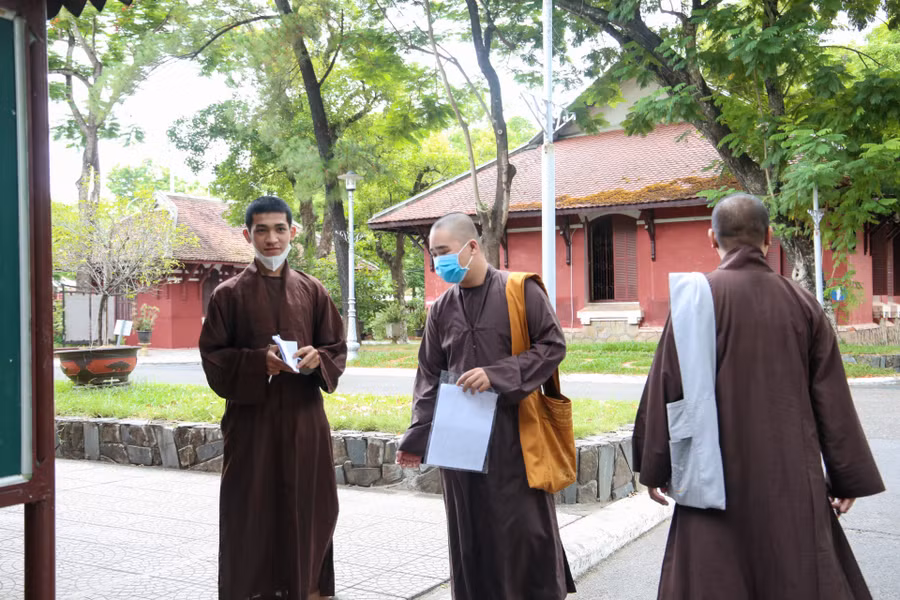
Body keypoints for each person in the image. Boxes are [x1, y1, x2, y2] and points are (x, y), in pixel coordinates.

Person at [633, 193, 885, 599]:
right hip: (790, 478)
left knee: (713, 578)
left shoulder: (694, 301)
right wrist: (845, 474)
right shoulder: (803, 304)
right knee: (795, 572)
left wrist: (655, 465)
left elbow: (667, 386)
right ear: (769, 237)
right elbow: (831, 399)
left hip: (710, 476)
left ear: (711, 239)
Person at [396, 212, 576, 600]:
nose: (437, 262)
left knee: (524, 529)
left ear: (471, 246)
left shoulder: (519, 290)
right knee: (470, 533)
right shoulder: (441, 309)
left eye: (443, 252)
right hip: (459, 443)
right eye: (433, 254)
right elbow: (429, 373)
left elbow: (552, 346)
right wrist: (416, 435)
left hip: (516, 436)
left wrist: (498, 374)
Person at [199, 195, 347, 600]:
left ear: (293, 234)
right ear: (247, 235)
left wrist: (318, 359)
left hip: (304, 423)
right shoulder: (228, 295)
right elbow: (213, 358)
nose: (271, 239)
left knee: (310, 508)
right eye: (261, 230)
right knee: (250, 511)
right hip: (253, 424)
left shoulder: (312, 290)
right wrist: (256, 363)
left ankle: (309, 589)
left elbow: (336, 347)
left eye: (279, 229)